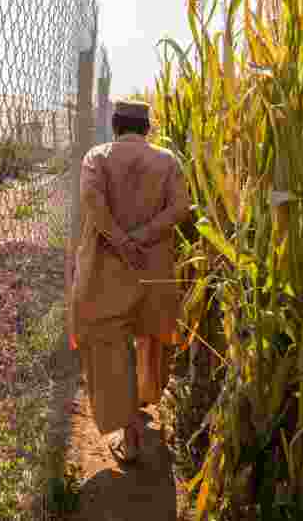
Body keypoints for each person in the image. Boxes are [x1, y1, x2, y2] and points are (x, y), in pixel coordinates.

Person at [69, 99, 191, 464]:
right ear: (148, 128)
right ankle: (141, 404)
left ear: (115, 125)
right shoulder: (167, 161)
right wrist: (143, 236)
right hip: (153, 269)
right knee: (148, 339)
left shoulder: (97, 157)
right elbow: (180, 207)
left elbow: (92, 200)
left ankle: (130, 432)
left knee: (110, 346)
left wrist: (122, 240)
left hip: (107, 269)